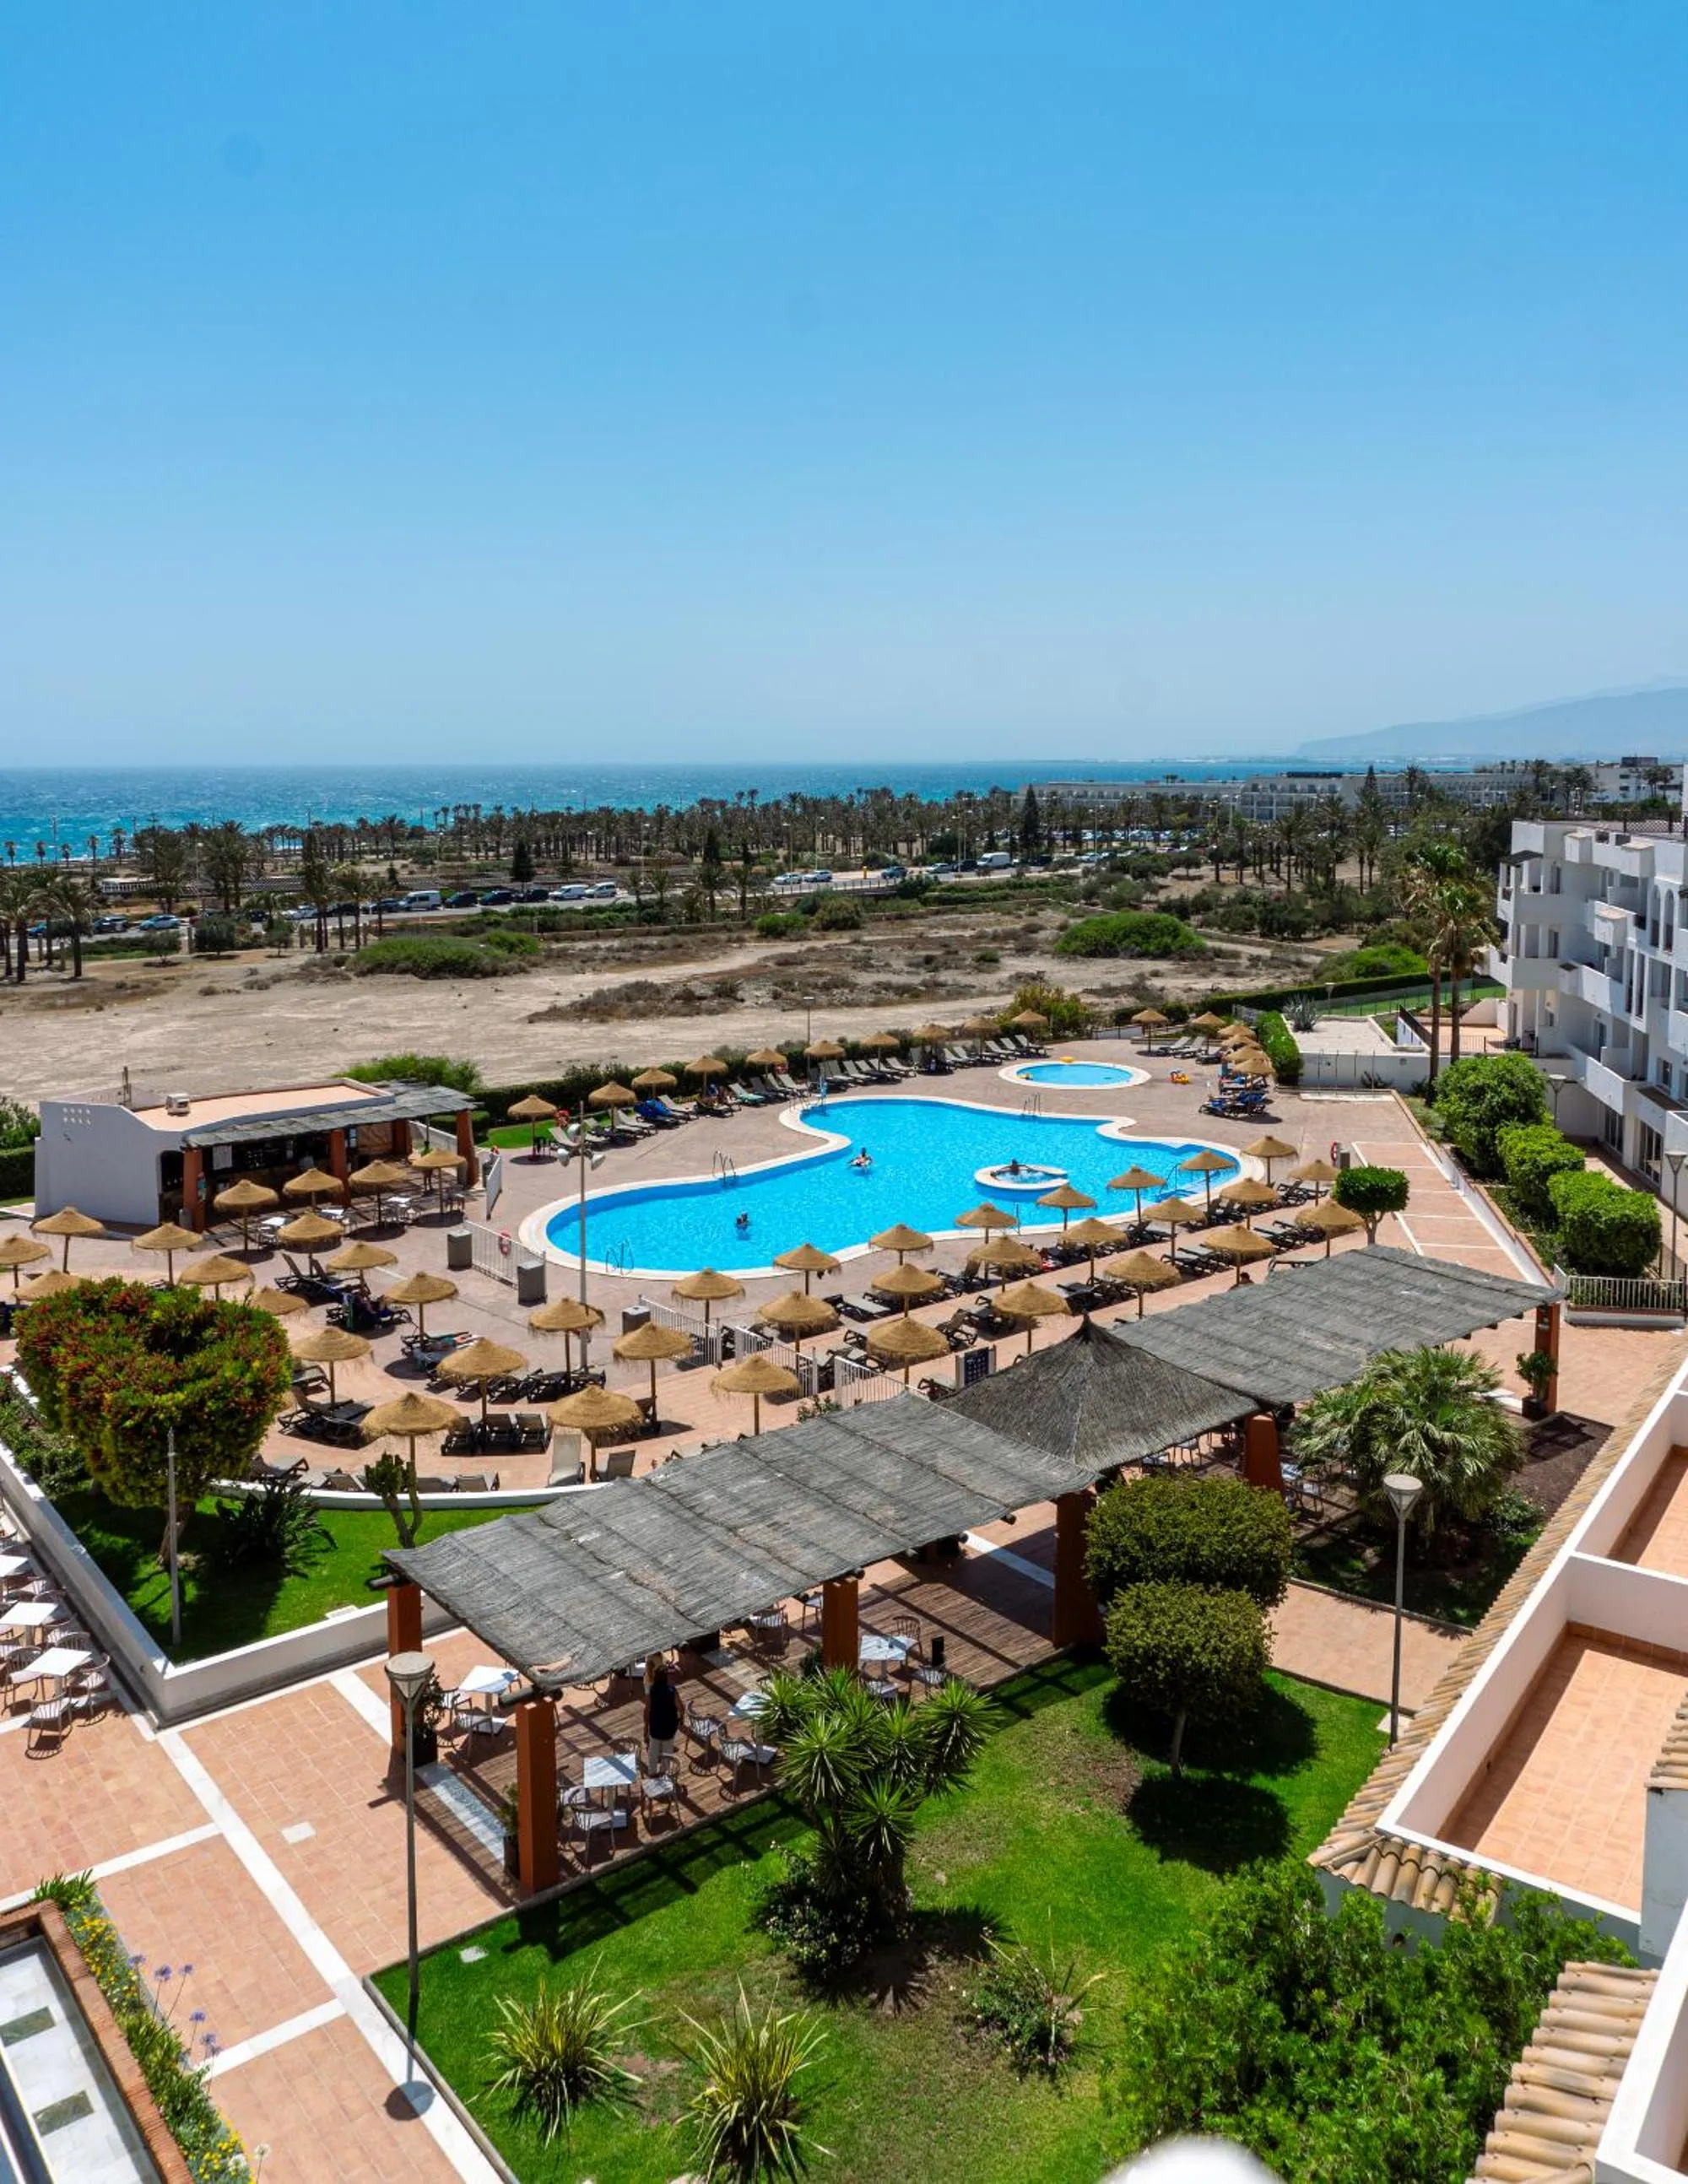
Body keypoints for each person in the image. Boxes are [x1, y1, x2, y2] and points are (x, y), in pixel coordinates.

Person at [644, 1657, 679, 1774]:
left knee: (653, 1751)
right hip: (670, 1726)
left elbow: (647, 1708)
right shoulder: (672, 1690)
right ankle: (664, 1773)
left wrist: (646, 1726)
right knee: (667, 1752)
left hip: (655, 1726)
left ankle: (652, 1772)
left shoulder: (652, 1690)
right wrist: (682, 1717)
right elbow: (680, 1706)